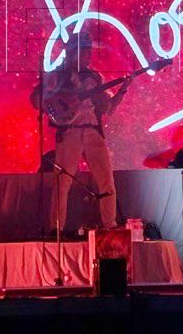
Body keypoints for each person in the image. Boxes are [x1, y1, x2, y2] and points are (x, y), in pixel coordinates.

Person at [31, 32, 131, 234]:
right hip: (70, 132)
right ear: (73, 53)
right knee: (62, 181)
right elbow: (37, 100)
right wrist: (59, 100)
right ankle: (56, 228)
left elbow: (107, 107)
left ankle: (109, 225)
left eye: (89, 52)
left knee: (106, 179)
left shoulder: (94, 77)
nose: (89, 56)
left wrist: (123, 90)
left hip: (93, 131)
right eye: (84, 52)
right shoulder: (57, 76)